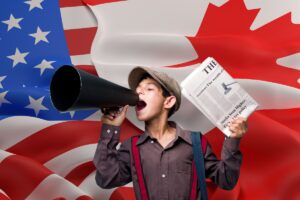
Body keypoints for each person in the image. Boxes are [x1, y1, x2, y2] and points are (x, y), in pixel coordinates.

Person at [93, 67, 248, 200]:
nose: (139, 94)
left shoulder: (194, 142)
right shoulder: (132, 147)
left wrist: (233, 139)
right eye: (137, 91)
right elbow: (106, 179)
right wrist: (110, 129)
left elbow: (226, 180)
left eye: (148, 89)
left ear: (168, 101)